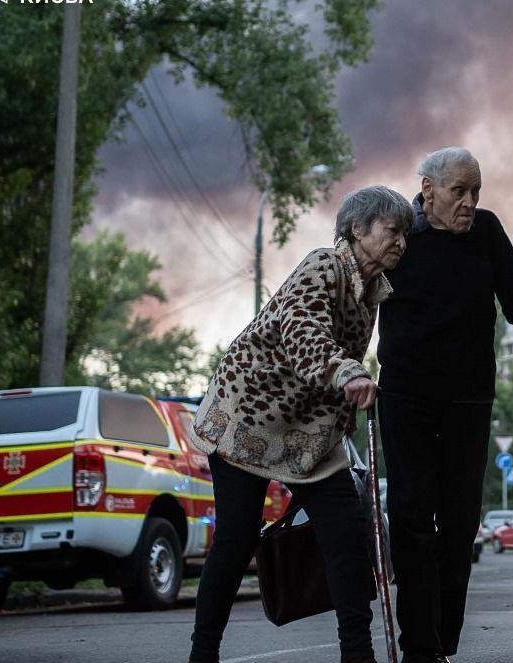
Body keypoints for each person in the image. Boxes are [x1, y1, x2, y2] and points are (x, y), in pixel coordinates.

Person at [186, 185, 413, 663]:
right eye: (393, 231)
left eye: (405, 235)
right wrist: (347, 370)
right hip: (248, 418)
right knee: (236, 538)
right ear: (357, 229)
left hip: (312, 433)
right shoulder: (322, 266)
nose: (401, 243)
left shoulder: (373, 290)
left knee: (348, 536)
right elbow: (303, 330)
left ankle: (357, 654)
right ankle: (202, 653)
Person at [376, 147, 513, 662]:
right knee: (412, 519)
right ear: (427, 190)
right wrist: (346, 369)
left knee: (462, 522)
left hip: (468, 400)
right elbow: (358, 294)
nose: (469, 202)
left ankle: (444, 639)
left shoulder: (487, 232)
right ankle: (420, 647)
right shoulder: (400, 234)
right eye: (458, 192)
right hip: (406, 398)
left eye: (476, 192)